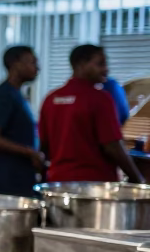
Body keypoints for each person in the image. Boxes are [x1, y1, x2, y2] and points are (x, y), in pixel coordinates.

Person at [39, 45, 145, 184]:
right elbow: (112, 145)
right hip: (94, 186)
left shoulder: (50, 99)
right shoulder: (100, 98)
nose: (106, 70)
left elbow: (43, 147)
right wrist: (137, 179)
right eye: (100, 64)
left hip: (57, 182)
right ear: (81, 64)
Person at [0, 46, 46, 197]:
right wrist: (29, 152)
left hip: (19, 176)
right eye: (32, 62)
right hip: (7, 179)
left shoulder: (17, 94)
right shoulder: (4, 95)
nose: (37, 68)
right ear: (15, 64)